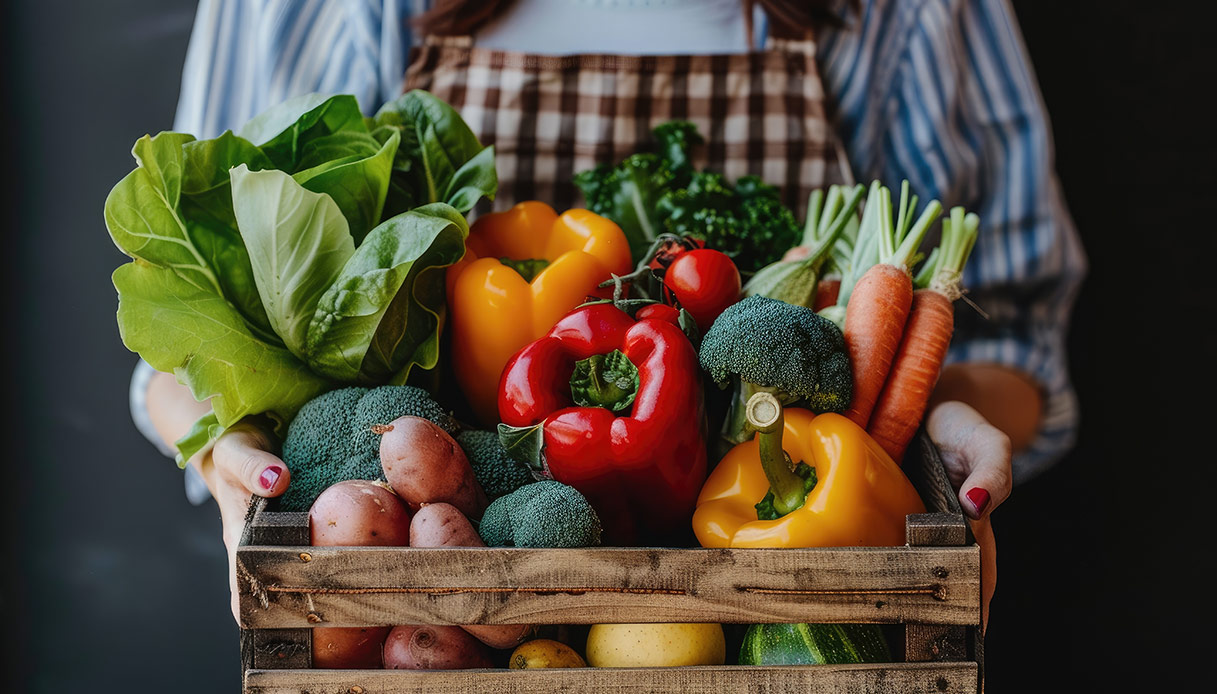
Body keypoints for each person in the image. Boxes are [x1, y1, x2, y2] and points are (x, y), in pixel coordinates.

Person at [133, 0, 1086, 629]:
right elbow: (189, 352)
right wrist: (229, 465)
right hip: (448, 596)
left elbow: (1018, 340)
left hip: (785, 605)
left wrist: (941, 410)